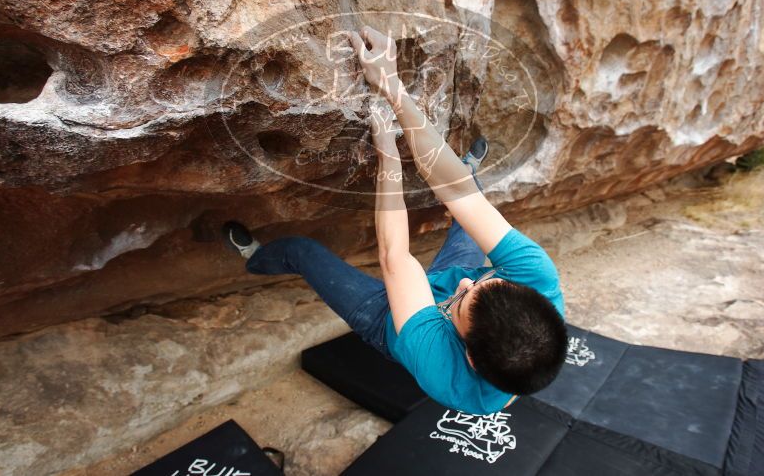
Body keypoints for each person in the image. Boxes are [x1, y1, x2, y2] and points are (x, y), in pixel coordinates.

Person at [222, 26, 567, 415]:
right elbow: (456, 192)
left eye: (465, 299)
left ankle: (254, 258)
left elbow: (396, 257)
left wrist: (387, 154)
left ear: (469, 356)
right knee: (466, 198)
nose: (470, 281)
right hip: (445, 293)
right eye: (488, 283)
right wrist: (390, 83)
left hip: (390, 319)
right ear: (538, 299)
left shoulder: (444, 369)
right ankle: (468, 171)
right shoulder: (538, 277)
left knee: (302, 251)